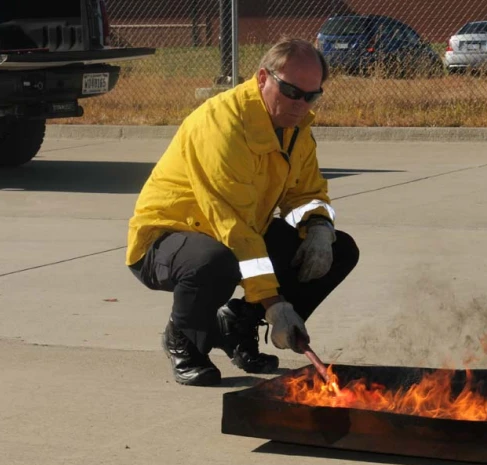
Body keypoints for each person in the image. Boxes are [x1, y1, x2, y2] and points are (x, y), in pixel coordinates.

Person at [125, 38, 359, 386]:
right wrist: (275, 304)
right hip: (167, 240)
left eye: (312, 96)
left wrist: (320, 229)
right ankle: (184, 340)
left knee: (340, 250)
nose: (301, 105)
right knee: (215, 261)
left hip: (241, 231)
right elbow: (232, 228)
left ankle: (237, 322)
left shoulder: (296, 129)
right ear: (263, 77)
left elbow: (307, 192)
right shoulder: (223, 126)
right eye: (292, 91)